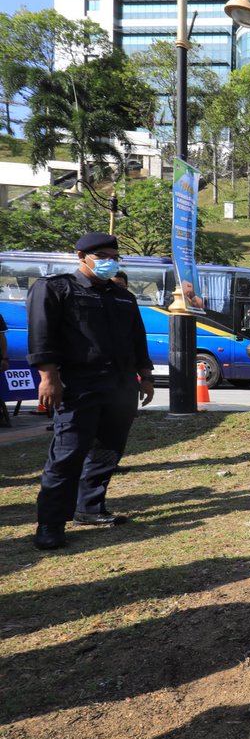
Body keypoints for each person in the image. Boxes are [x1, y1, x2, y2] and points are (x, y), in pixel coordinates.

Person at [26, 232, 154, 551]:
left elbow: (137, 338)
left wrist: (146, 375)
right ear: (81, 256)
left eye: (114, 256)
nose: (110, 262)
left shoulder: (123, 296)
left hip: (120, 385)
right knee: (67, 454)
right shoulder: (56, 289)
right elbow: (42, 337)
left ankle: (90, 508)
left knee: (108, 450)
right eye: (103, 256)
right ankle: (50, 524)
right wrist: (48, 377)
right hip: (77, 386)